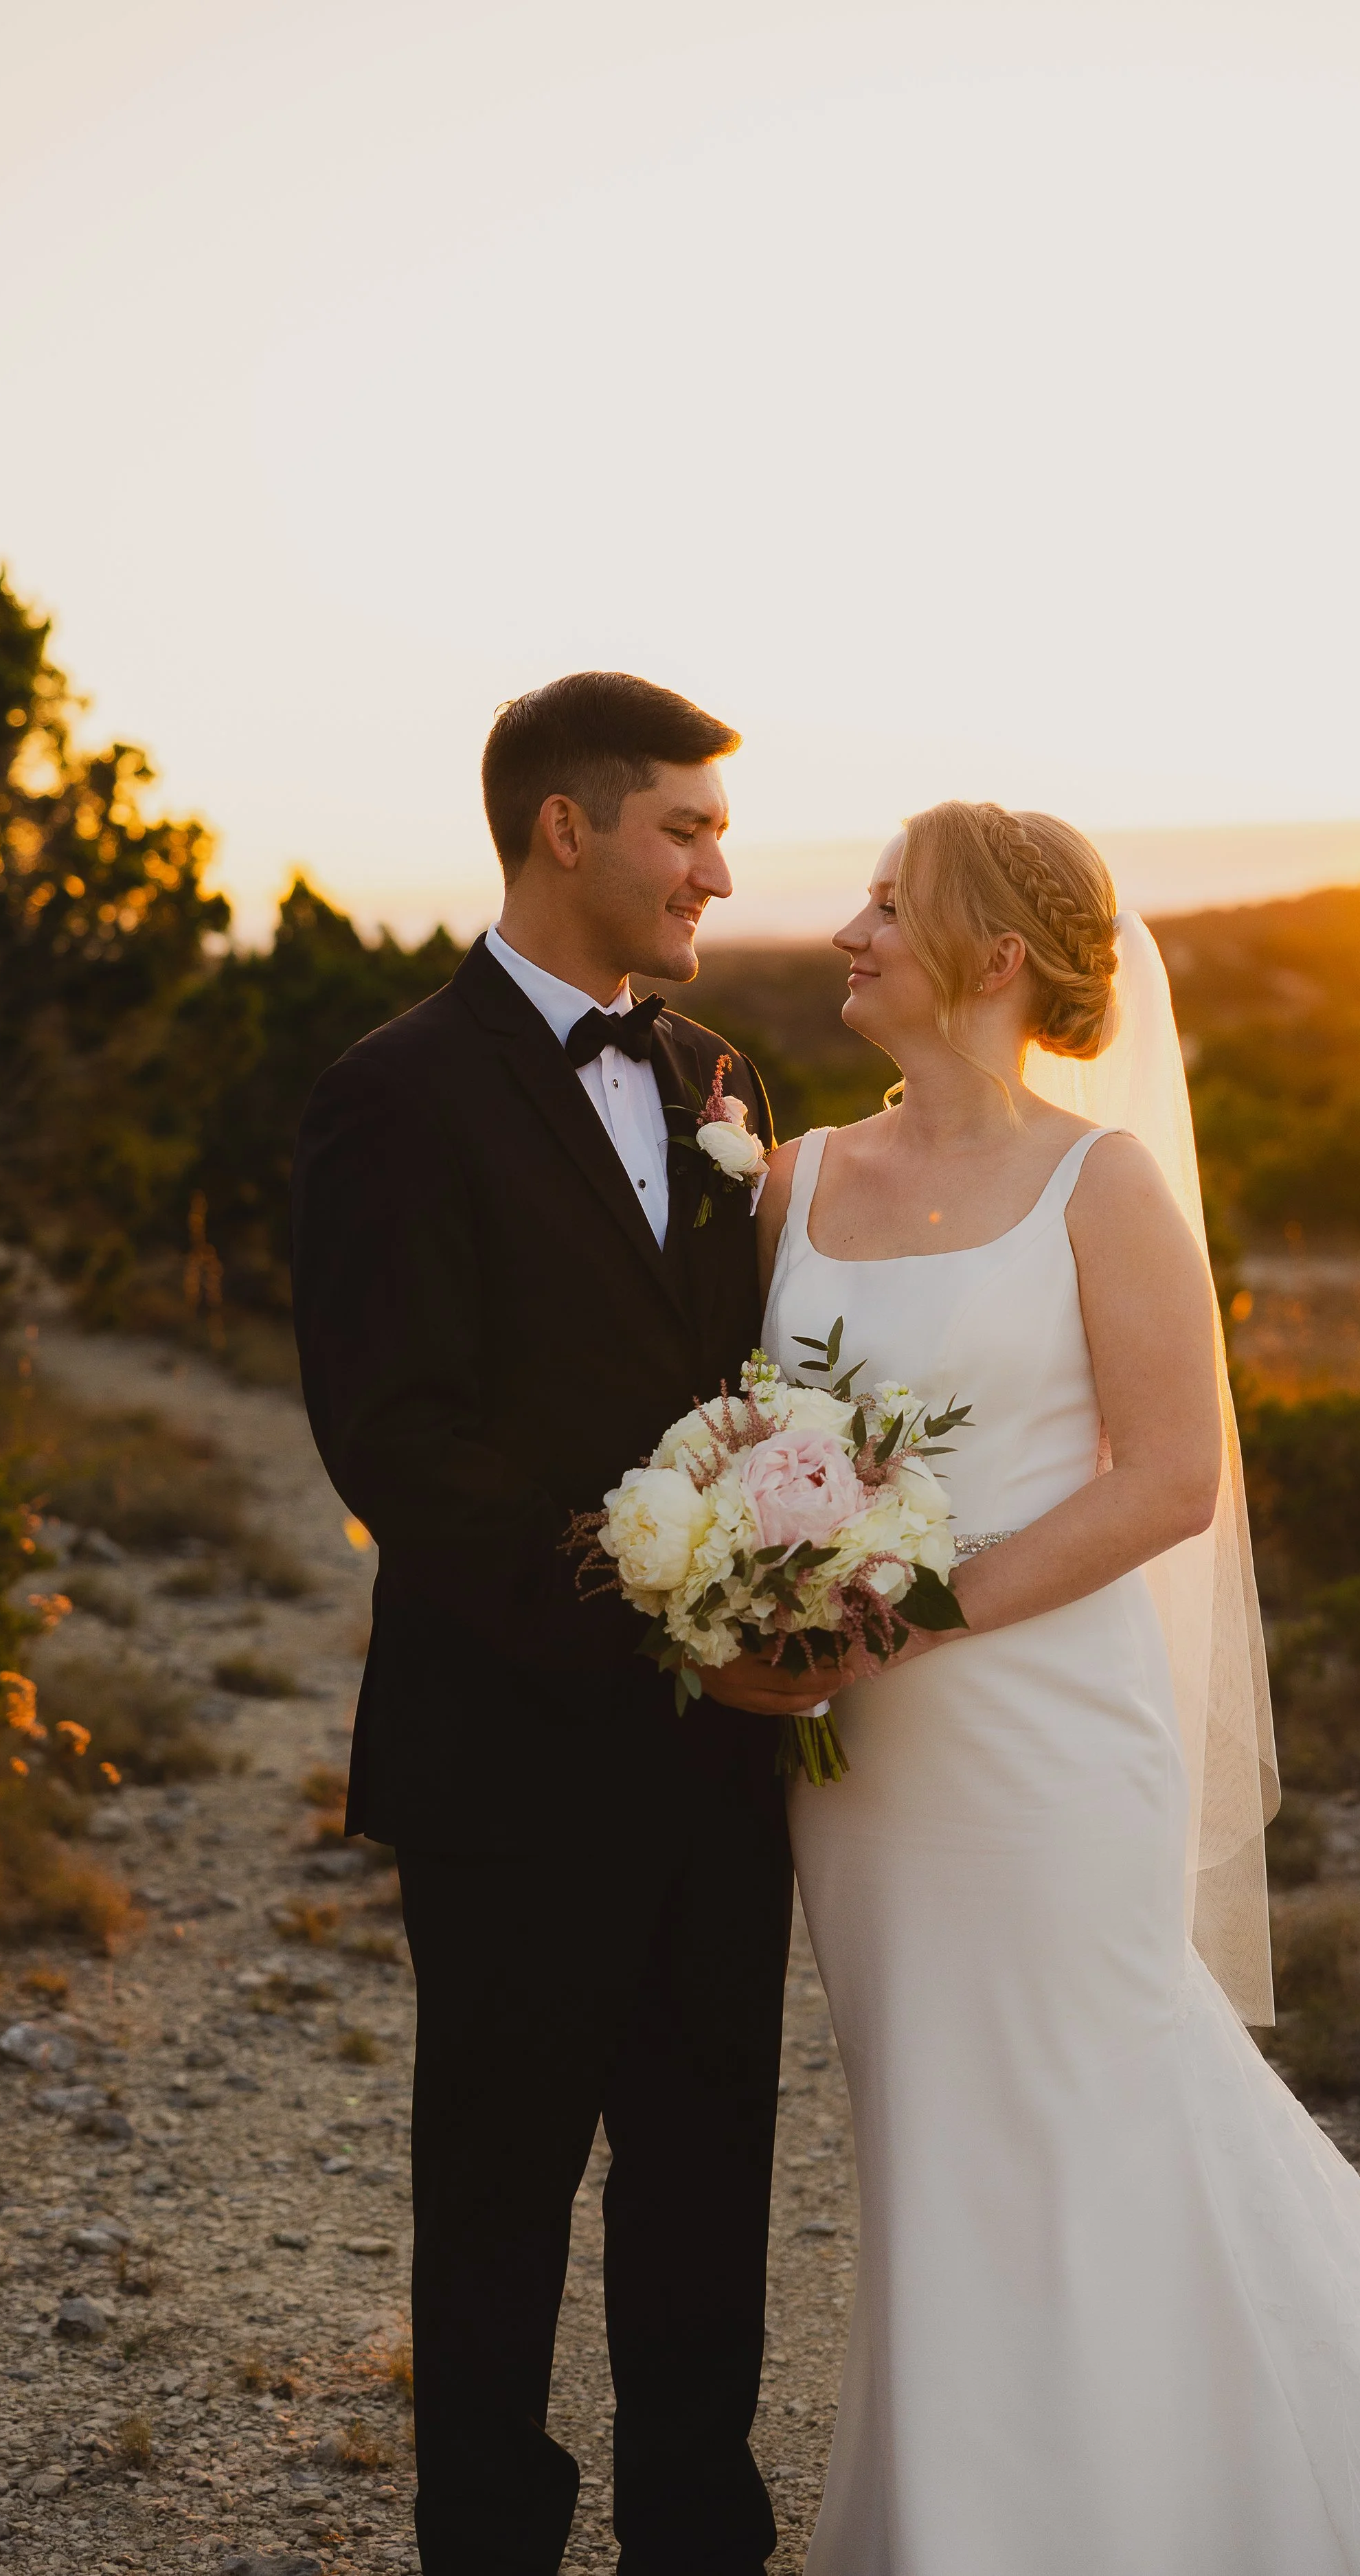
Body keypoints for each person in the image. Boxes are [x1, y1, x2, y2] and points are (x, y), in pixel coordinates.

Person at [753, 799, 1360, 2574]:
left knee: (1086, 2107)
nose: (847, 929)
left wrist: (906, 1613)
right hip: (867, 1771)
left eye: (885, 902)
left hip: (1037, 1741)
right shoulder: (788, 1181)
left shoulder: (1100, 1185)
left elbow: (1168, 1476)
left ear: (994, 956)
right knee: (929, 2122)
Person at [291, 673, 791, 2576]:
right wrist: (649, 1614)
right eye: (681, 826)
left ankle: (697, 2538)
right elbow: (397, 1443)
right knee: (495, 2200)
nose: (714, 868)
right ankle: (487, 2544)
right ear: (564, 827)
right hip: (511, 1745)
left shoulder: (722, 1077)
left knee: (707, 2187)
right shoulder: (392, 1091)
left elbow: (757, 1383)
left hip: (726, 1762)